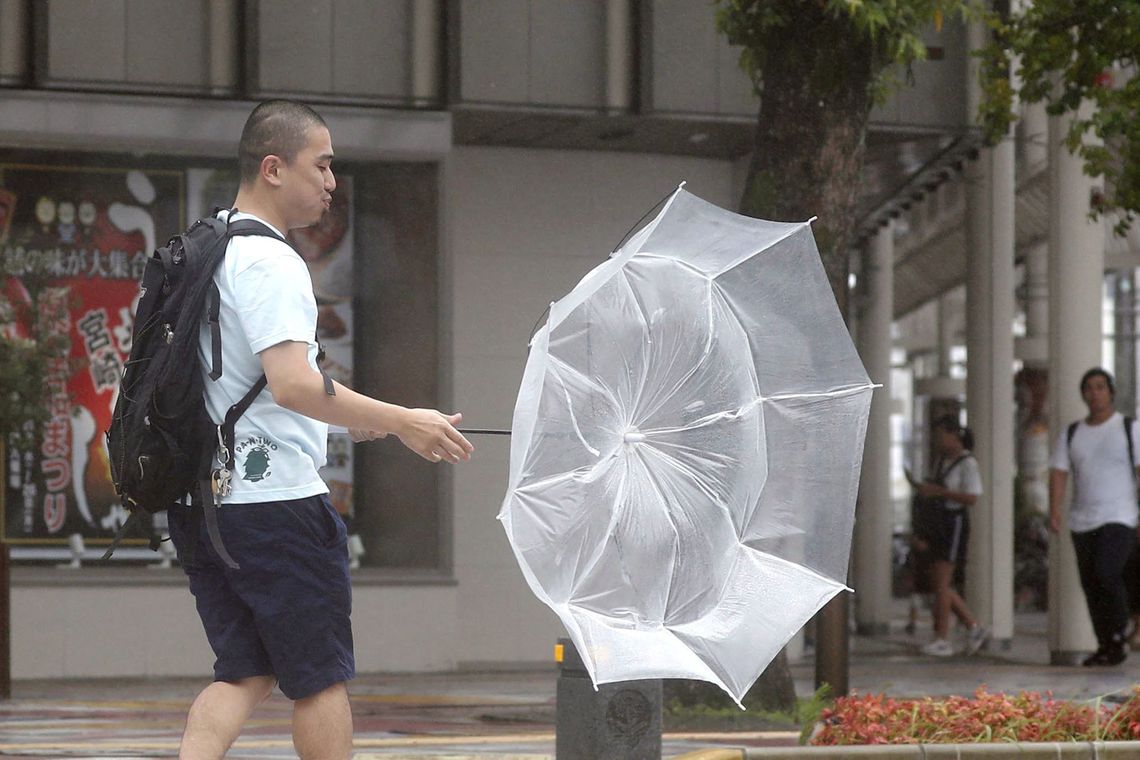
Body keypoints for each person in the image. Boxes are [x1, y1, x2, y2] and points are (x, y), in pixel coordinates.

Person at [167, 99, 474, 760]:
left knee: (244, 673)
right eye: (323, 165)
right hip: (276, 507)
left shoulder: (209, 244)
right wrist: (403, 422)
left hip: (204, 504)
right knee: (320, 681)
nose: (332, 182)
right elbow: (294, 384)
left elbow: (256, 381)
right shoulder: (273, 262)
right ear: (274, 167)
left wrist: (362, 421)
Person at [1049, 367, 1139, 667]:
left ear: (1111, 392)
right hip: (1082, 519)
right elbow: (1059, 472)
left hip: (1120, 515)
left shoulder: (1128, 428)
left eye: (1101, 387)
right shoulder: (1072, 432)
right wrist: (1055, 509)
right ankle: (1107, 644)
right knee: (1090, 584)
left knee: (1107, 572)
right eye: (1089, 387)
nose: (1095, 393)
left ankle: (1123, 624)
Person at [912, 415, 989, 657]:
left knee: (943, 584)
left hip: (954, 524)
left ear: (954, 435)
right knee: (940, 584)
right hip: (938, 525)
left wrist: (941, 492)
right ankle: (973, 626)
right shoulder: (941, 462)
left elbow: (973, 497)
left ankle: (943, 637)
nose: (938, 441)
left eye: (942, 435)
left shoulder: (968, 464)